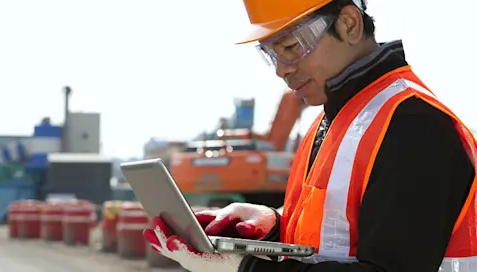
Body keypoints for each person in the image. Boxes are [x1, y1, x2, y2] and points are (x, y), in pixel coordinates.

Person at [142, 0, 477, 271]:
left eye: (291, 45)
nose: (281, 69)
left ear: (349, 24)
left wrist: (245, 269)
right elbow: (333, 239)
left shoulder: (415, 125)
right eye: (270, 53)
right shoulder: (331, 121)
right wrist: (272, 223)